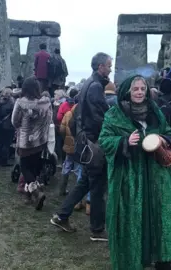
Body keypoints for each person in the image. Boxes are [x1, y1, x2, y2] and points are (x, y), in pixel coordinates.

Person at [99, 75, 171, 270]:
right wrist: (124, 142)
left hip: (156, 176)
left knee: (160, 217)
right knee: (133, 219)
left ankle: (162, 259)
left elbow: (169, 132)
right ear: (128, 91)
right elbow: (104, 141)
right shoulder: (114, 115)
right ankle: (134, 259)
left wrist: (163, 139)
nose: (139, 92)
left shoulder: (155, 112)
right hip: (130, 178)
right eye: (135, 89)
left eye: (142, 89)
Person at [50, 52, 112, 242]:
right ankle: (97, 230)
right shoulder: (94, 87)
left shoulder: (89, 84)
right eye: (109, 65)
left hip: (86, 143)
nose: (110, 68)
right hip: (94, 144)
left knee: (84, 183)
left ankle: (61, 216)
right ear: (100, 66)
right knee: (98, 188)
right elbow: (98, 118)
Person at [12, 76, 53, 210]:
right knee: (34, 168)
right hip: (40, 141)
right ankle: (29, 196)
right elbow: (49, 119)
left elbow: (14, 121)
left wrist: (22, 126)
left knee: (25, 168)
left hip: (25, 142)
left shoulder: (20, 102)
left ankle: (36, 192)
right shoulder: (46, 102)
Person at [0, 88, 15, 167]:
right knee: (6, 144)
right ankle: (4, 160)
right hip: (8, 125)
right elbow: (14, 114)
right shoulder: (11, 101)